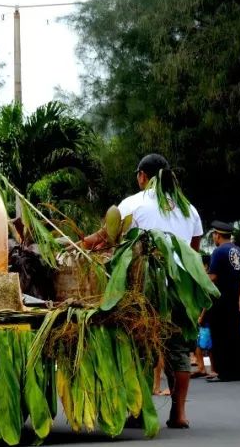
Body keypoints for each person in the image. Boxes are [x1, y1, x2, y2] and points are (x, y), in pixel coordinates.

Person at [83, 153, 203, 428]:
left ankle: (138, 411)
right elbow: (192, 255)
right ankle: (179, 413)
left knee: (139, 345)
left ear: (142, 176)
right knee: (178, 351)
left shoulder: (133, 204)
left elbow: (105, 238)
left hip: (143, 286)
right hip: (179, 289)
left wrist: (77, 243)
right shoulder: (189, 209)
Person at [204, 221, 240, 383]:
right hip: (236, 299)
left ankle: (224, 372)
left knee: (221, 336)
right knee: (235, 335)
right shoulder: (238, 250)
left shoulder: (219, 251)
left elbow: (213, 277)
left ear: (217, 235)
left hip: (221, 301)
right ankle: (239, 371)